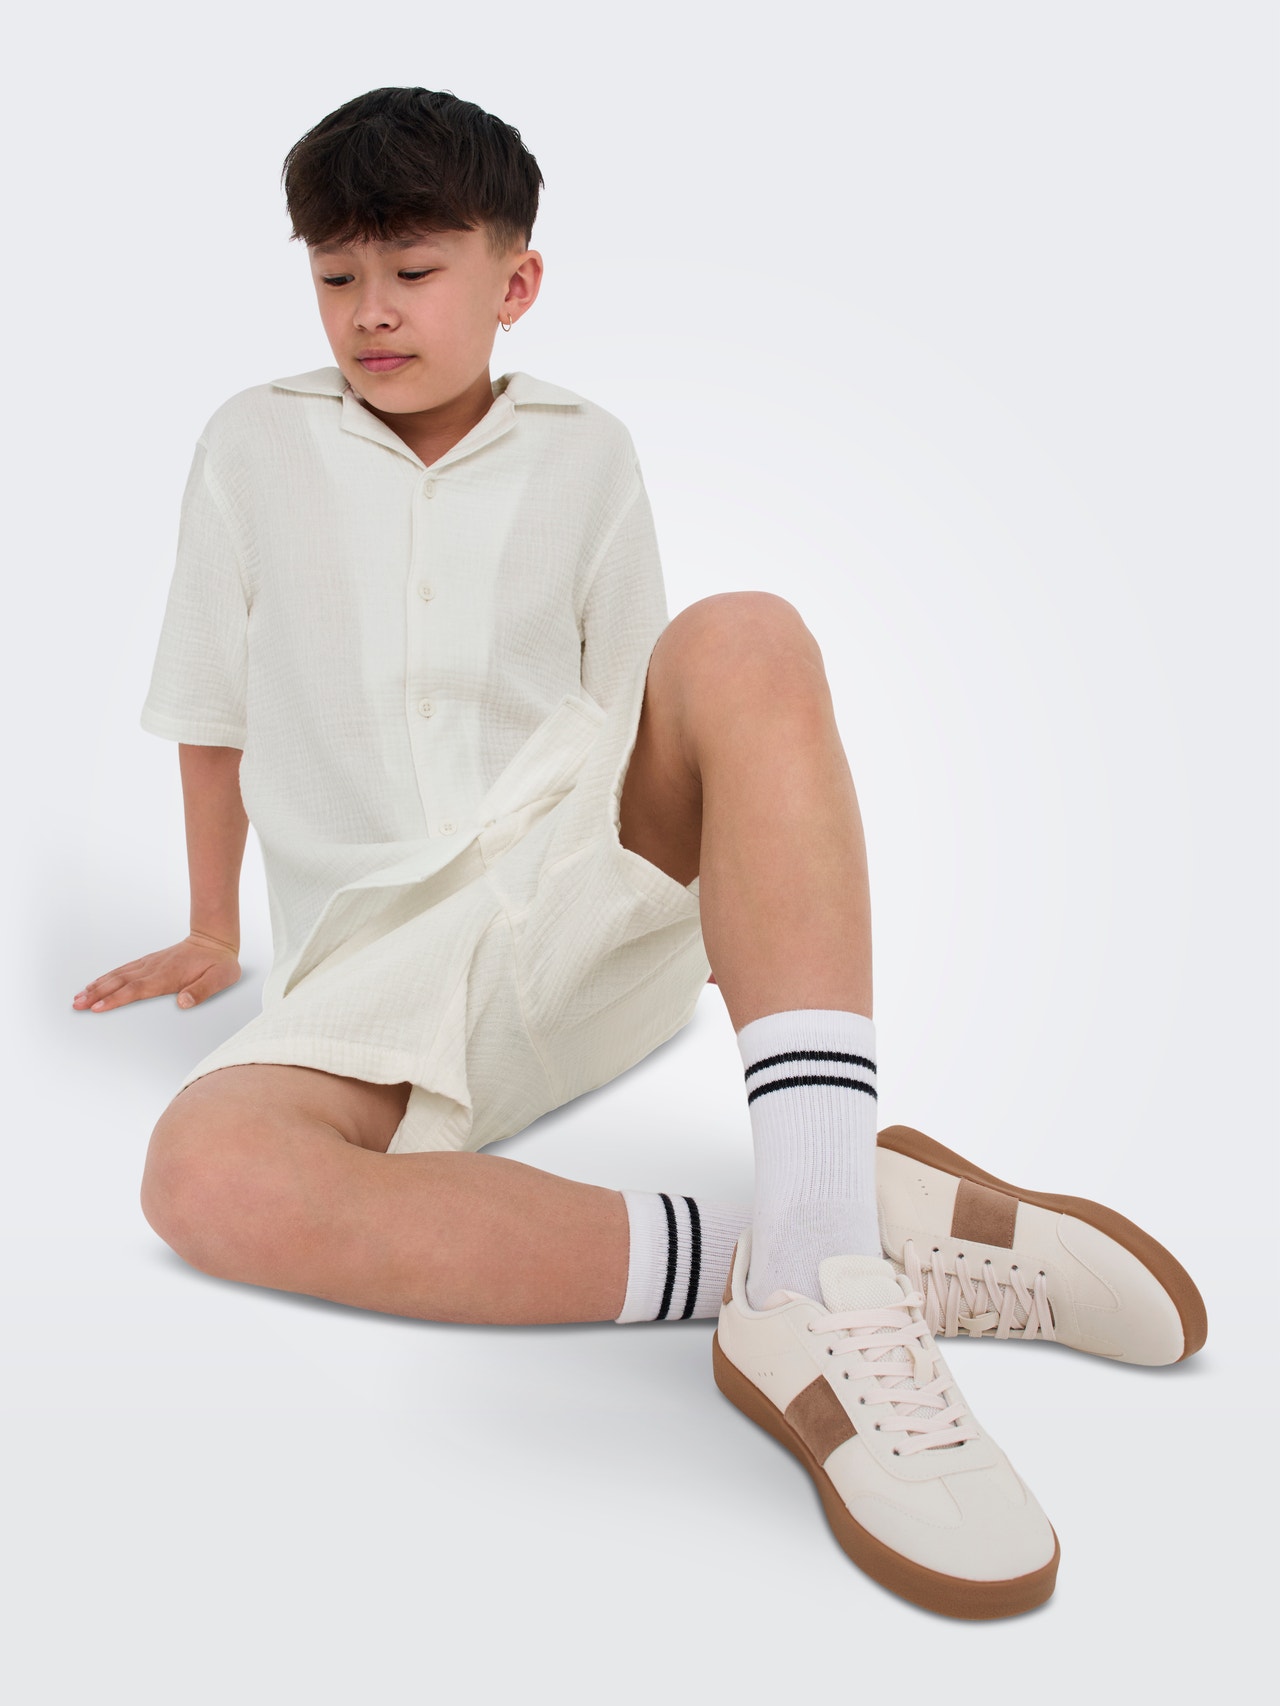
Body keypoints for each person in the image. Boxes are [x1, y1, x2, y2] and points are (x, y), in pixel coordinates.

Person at [74, 86, 1206, 1620]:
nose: (370, 309)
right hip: (374, 979)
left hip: (577, 903)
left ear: (515, 279)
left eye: (413, 270)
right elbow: (210, 710)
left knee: (742, 636)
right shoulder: (251, 444)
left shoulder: (586, 450)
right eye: (337, 275)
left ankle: (814, 1231)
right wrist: (216, 928)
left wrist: (693, 861)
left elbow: (653, 713)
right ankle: (819, 1236)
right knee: (203, 1172)